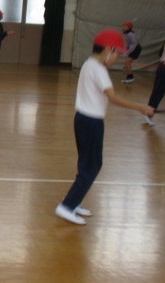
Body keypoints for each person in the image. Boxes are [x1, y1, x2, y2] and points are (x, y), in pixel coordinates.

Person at [55, 29, 154, 225]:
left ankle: (74, 201)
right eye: (117, 53)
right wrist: (140, 107)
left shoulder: (88, 64)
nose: (118, 58)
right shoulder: (100, 70)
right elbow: (113, 98)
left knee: (86, 164)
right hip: (92, 122)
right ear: (108, 49)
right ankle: (66, 206)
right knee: (93, 165)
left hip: (81, 119)